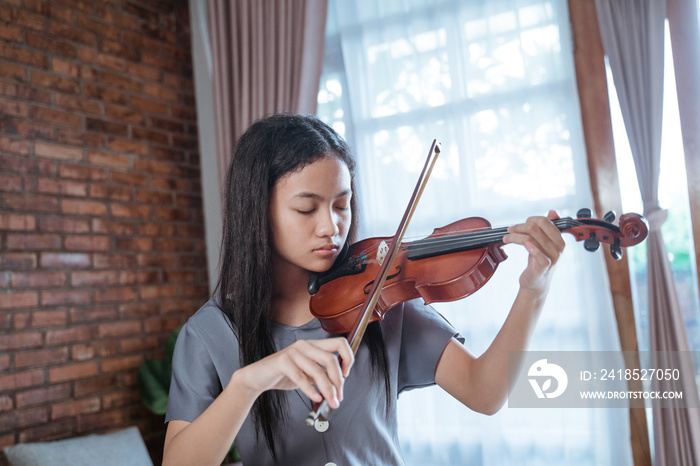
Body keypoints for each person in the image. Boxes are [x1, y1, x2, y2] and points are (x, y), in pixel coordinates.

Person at [162, 114, 565, 465]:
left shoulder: (379, 299)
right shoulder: (209, 333)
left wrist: (534, 290)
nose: (330, 227)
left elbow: (485, 391)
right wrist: (248, 382)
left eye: (341, 205)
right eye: (306, 208)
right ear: (257, 210)